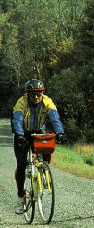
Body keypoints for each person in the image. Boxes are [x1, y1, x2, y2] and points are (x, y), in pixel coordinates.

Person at [12, 79, 66, 214]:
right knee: (22, 164)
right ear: (28, 94)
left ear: (42, 94)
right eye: (33, 94)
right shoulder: (21, 102)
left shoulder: (47, 101)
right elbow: (17, 119)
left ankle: (43, 172)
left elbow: (55, 118)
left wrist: (60, 133)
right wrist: (19, 135)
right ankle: (20, 198)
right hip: (23, 133)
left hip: (37, 131)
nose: (36, 97)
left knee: (48, 149)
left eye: (39, 94)